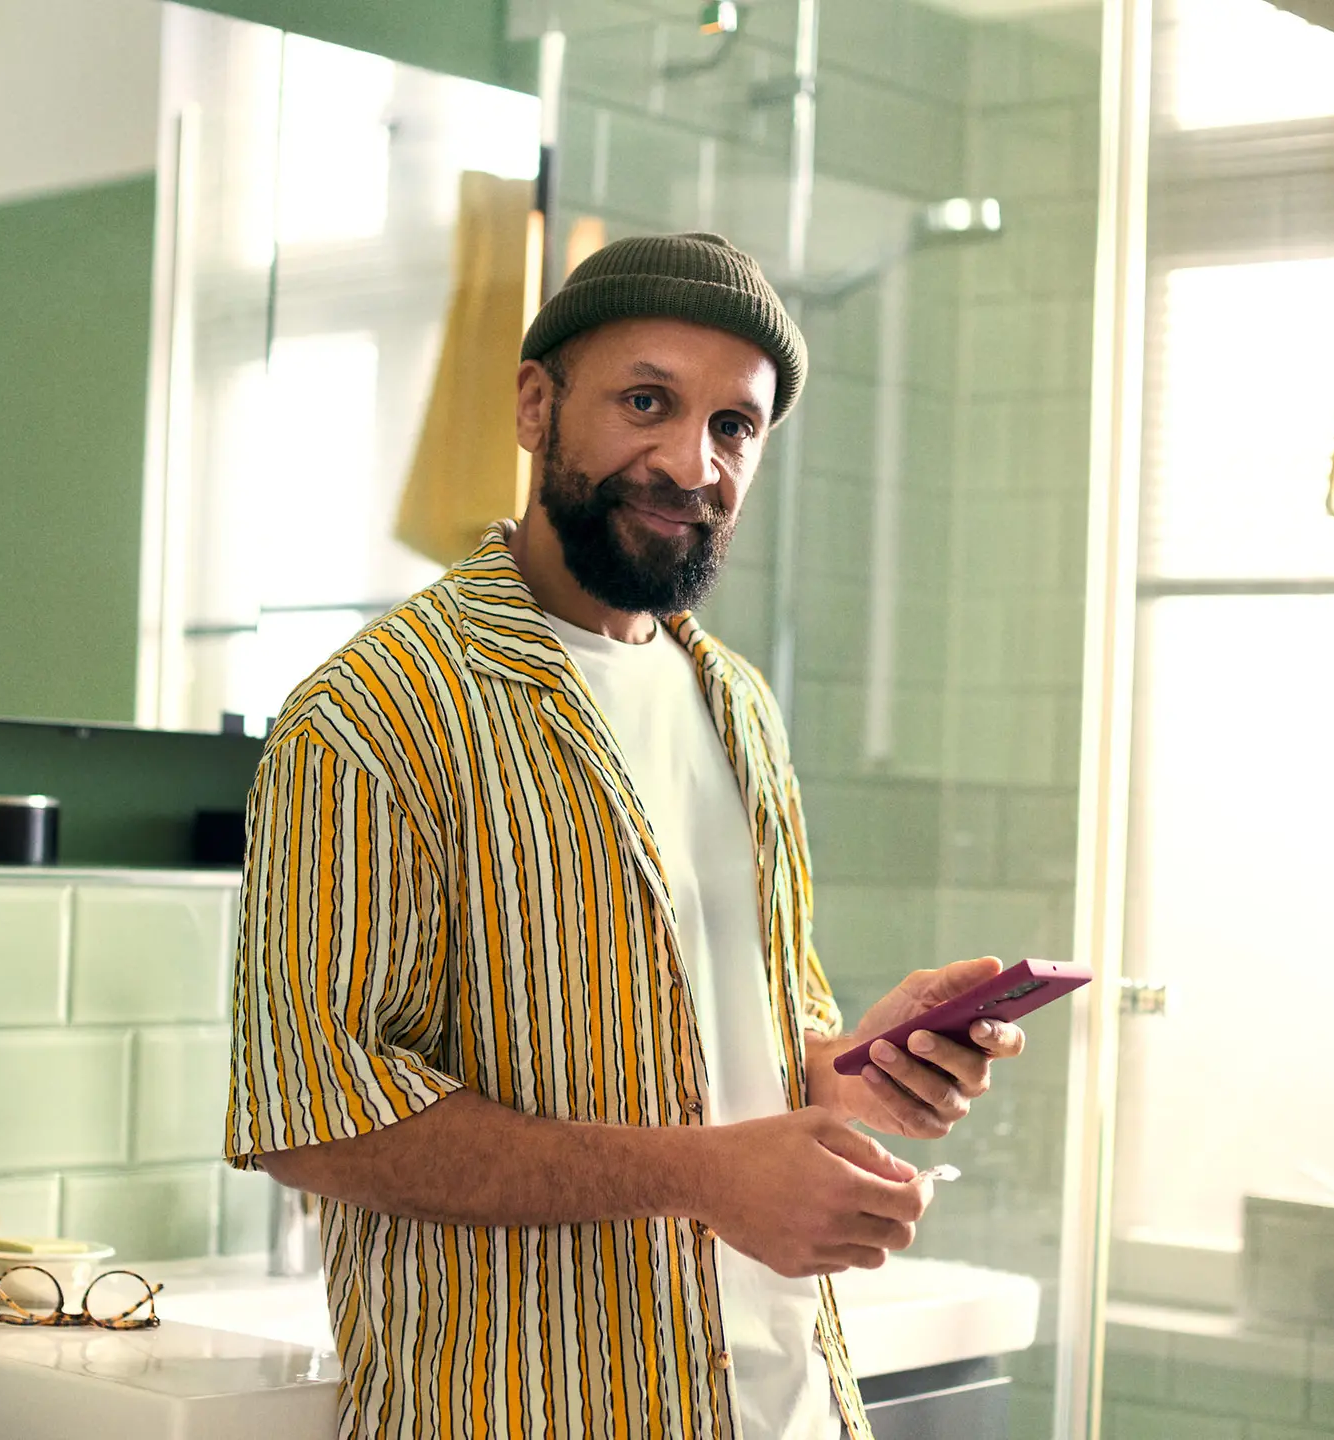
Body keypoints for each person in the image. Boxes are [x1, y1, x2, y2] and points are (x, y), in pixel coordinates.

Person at [225, 231, 1025, 1440]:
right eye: (646, 402)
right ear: (537, 406)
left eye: (733, 427)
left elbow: (740, 1046)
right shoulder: (376, 716)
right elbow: (310, 1117)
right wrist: (703, 1176)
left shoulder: (737, 705)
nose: (689, 461)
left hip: (791, 1408)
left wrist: (866, 1062)